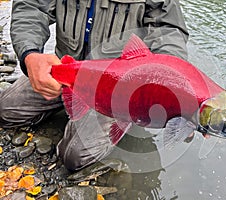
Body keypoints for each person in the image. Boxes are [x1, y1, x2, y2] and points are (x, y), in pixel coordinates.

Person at [0, 0, 189, 171]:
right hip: (64, 70)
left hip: (114, 91)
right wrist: (30, 54)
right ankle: (69, 108)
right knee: (4, 110)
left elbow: (169, 31)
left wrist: (171, 95)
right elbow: (32, 6)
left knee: (73, 156)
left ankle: (123, 117)